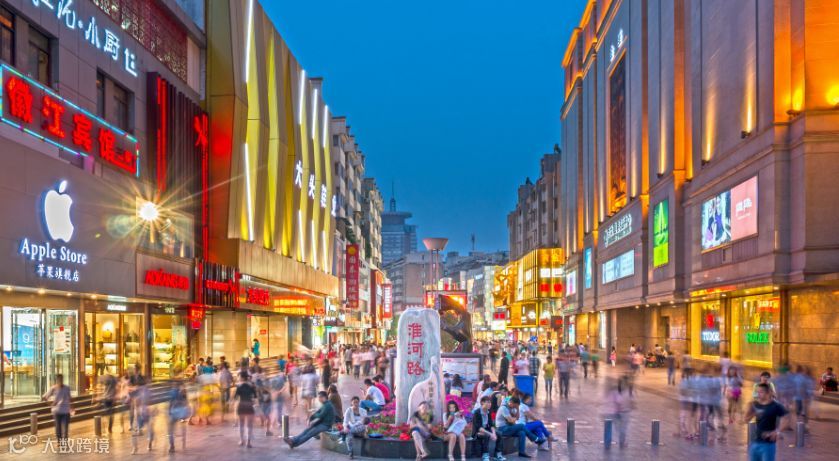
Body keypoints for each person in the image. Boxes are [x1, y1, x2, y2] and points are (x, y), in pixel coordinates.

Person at [744, 382, 789, 461]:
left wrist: (777, 432)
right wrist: (751, 412)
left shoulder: (776, 405)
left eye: (761, 392)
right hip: (755, 443)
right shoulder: (755, 404)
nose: (758, 394)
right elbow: (745, 420)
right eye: (757, 392)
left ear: (768, 393)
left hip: (768, 445)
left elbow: (786, 419)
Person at [42, 374, 72, 445]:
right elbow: (44, 397)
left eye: (61, 379)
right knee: (58, 427)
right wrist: (50, 404)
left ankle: (64, 441)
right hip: (57, 411)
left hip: (66, 411)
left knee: (65, 428)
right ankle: (59, 441)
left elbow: (70, 398)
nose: (60, 381)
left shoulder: (67, 388)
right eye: (59, 379)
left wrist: (71, 407)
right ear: (57, 380)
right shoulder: (53, 388)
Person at [605, 376, 634, 449]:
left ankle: (622, 442)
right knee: (620, 428)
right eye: (622, 383)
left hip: (625, 412)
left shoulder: (628, 390)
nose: (624, 384)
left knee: (623, 428)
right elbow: (613, 401)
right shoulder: (617, 391)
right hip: (618, 412)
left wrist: (630, 405)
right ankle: (621, 442)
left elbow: (632, 401)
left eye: (625, 383)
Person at [472, 395, 503, 461]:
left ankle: (497, 454)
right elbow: (479, 428)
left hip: (486, 429)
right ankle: (485, 455)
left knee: (499, 434)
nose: (490, 404)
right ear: (482, 403)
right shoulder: (477, 412)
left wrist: (494, 433)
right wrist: (490, 434)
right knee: (486, 435)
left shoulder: (488, 412)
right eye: (488, 402)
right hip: (478, 432)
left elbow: (491, 425)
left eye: (490, 402)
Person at [234, 371, 257, 447]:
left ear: (242, 378)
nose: (239, 378)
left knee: (241, 424)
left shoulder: (239, 386)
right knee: (249, 425)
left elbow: (235, 397)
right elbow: (255, 396)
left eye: (239, 377)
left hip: (241, 405)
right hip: (249, 405)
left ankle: (242, 441)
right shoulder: (251, 386)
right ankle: (248, 442)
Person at [166, 381, 189, 453]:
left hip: (174, 413)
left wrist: (169, 411)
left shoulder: (172, 392)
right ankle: (183, 441)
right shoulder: (183, 392)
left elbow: (171, 403)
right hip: (182, 414)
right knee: (183, 426)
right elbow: (186, 403)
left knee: (170, 430)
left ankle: (172, 446)